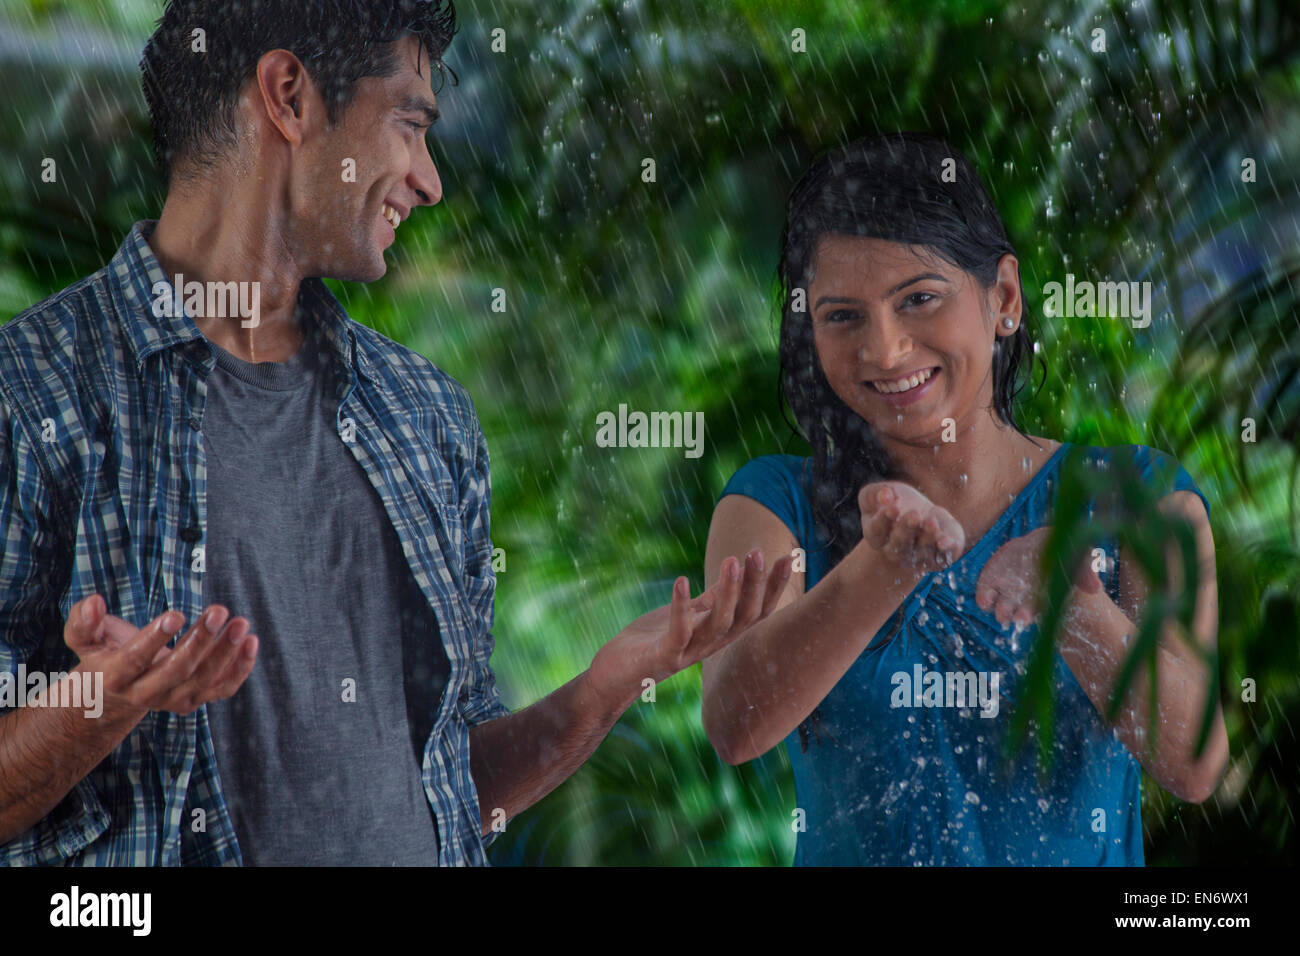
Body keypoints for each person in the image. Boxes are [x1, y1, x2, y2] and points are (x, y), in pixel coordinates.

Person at [0, 0, 791, 866]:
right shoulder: (31, 394)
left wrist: (603, 689)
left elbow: (453, 795)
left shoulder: (425, 417)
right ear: (290, 96)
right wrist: (100, 702)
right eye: (409, 125)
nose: (430, 179)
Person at [700, 132, 1230, 865]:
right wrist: (882, 568)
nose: (883, 351)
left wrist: (1074, 607)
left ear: (1004, 298)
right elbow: (734, 723)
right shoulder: (772, 503)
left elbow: (1194, 763)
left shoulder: (1140, 499)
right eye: (842, 316)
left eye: (918, 299)